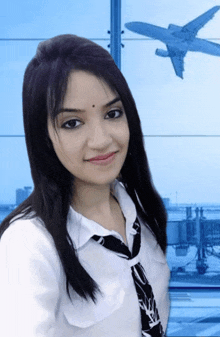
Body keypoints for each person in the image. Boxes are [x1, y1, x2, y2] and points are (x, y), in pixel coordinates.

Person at [0, 34, 170, 337]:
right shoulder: (30, 244)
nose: (102, 140)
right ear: (45, 137)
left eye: (112, 114)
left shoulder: (140, 213)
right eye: (72, 123)